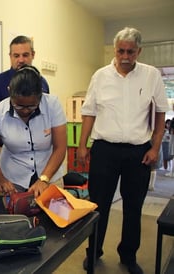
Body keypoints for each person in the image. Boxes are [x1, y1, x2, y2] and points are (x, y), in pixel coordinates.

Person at [77, 27, 169, 274]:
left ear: (139, 51)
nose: (125, 56)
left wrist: (155, 147)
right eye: (121, 51)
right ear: (115, 50)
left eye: (130, 51)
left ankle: (128, 256)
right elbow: (89, 112)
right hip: (105, 150)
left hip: (138, 152)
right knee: (98, 205)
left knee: (133, 207)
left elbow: (160, 112)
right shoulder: (100, 76)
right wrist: (82, 145)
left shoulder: (151, 75)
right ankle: (94, 252)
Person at [0, 65, 66, 197]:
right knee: (10, 216)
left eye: (32, 106)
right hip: (11, 180)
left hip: (49, 175)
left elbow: (60, 147)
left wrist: (44, 179)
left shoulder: (52, 105)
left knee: (54, 216)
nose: (25, 110)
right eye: (19, 106)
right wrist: (1, 179)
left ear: (41, 95)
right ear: (9, 91)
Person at [0, 35, 50, 138]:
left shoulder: (42, 82)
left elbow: (46, 115)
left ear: (33, 54)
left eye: (25, 55)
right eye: (16, 56)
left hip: (37, 144)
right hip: (7, 148)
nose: (21, 60)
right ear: (10, 56)